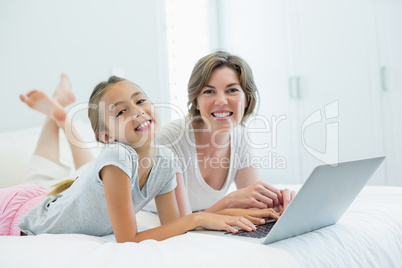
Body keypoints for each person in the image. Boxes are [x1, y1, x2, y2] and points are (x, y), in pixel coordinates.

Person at [0, 74, 279, 241]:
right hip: (18, 215)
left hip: (51, 198)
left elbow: (173, 227)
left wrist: (239, 216)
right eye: (121, 112)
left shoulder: (166, 159)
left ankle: (59, 113)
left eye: (140, 100)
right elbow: (129, 240)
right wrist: (199, 219)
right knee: (48, 171)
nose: (137, 111)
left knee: (57, 172)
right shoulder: (117, 155)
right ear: (107, 136)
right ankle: (59, 114)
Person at [155, 51, 296, 216]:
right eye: (209, 92)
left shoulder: (240, 134)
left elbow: (253, 199)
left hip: (202, 217)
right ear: (196, 101)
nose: (221, 101)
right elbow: (179, 223)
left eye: (232, 90)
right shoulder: (170, 139)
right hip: (153, 219)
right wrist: (230, 201)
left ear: (246, 99)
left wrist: (278, 202)